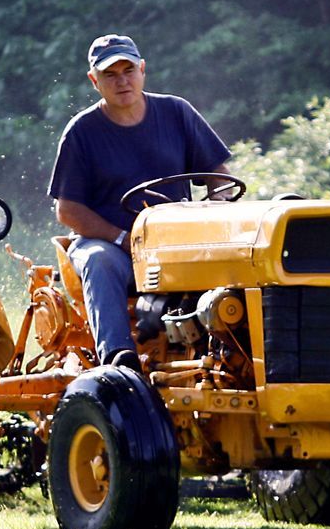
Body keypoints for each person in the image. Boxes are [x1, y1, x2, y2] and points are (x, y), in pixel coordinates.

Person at [47, 33, 233, 369]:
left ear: (143, 69)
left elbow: (218, 174)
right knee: (98, 261)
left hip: (177, 244)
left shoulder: (176, 112)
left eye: (128, 70)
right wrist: (122, 239)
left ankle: (232, 355)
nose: (122, 81)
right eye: (110, 74)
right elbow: (68, 209)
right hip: (114, 247)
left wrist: (218, 206)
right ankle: (119, 360)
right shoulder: (82, 132)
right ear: (94, 80)